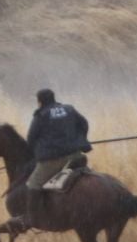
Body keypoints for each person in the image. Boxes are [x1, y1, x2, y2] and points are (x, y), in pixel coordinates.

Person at [22, 88, 91, 223]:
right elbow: (84, 123)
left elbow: (31, 138)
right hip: (76, 156)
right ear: (53, 98)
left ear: (40, 101)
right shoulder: (69, 109)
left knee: (33, 183)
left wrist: (36, 151)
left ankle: (32, 219)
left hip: (53, 160)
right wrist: (81, 140)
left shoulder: (41, 115)